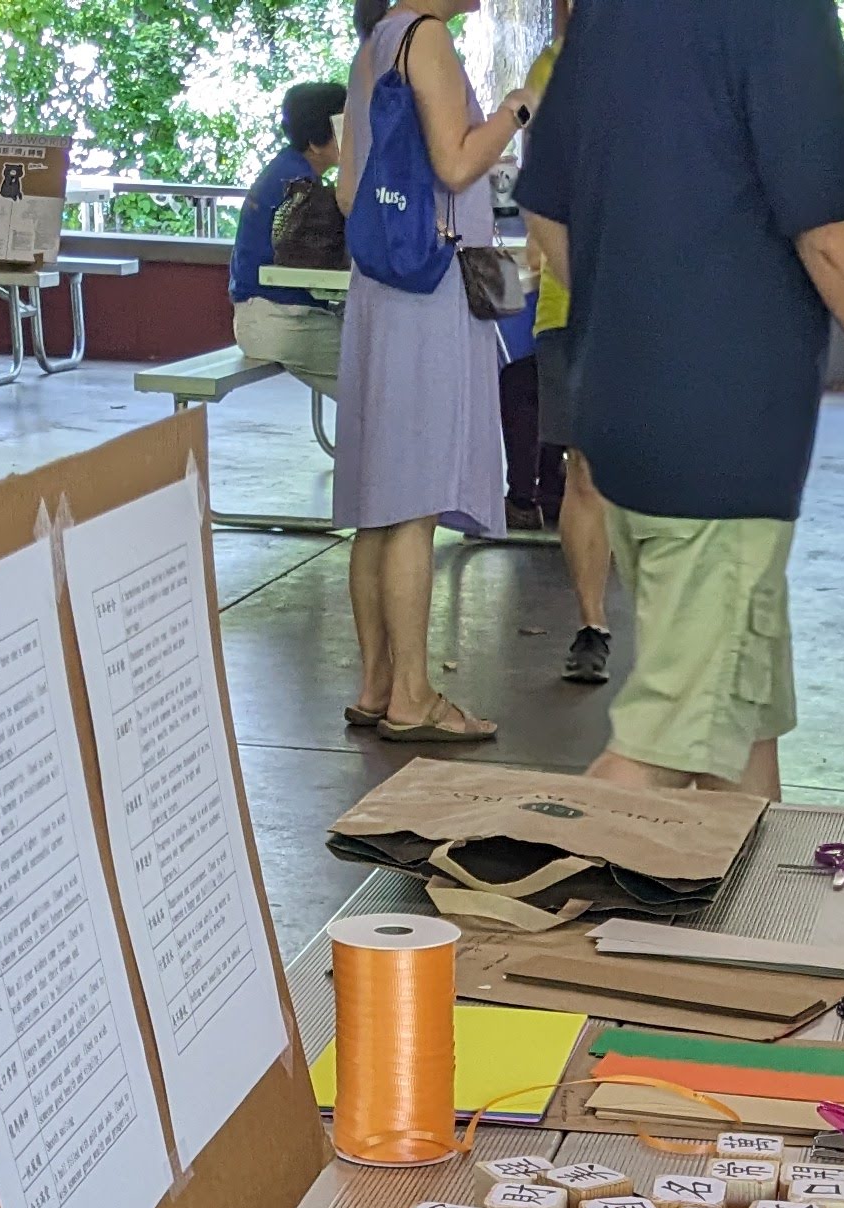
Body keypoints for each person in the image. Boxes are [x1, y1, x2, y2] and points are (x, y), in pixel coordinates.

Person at [516, 0, 844, 794]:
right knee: (666, 742)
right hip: (723, 441)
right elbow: (833, 238)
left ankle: (750, 880)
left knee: (741, 725)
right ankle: (527, 872)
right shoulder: (777, 14)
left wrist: (635, 325)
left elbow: (547, 210)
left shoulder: (608, 14)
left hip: (626, 414)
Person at [334, 0, 531, 744]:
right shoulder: (429, 38)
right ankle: (414, 696)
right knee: (414, 501)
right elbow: (454, 162)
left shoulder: (374, 45)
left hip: (379, 284)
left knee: (377, 505)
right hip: (429, 287)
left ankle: (377, 683)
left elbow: (350, 190)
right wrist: (515, 109)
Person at [517, 0, 611, 684]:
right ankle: (592, 625)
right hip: (572, 306)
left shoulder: (684, 61)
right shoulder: (552, 69)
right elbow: (539, 194)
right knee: (585, 470)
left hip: (668, 307)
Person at [230, 80, 346, 395]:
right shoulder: (301, 189)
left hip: (269, 314)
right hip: (282, 318)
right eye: (345, 125)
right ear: (315, 142)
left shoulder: (287, 170)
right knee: (379, 373)